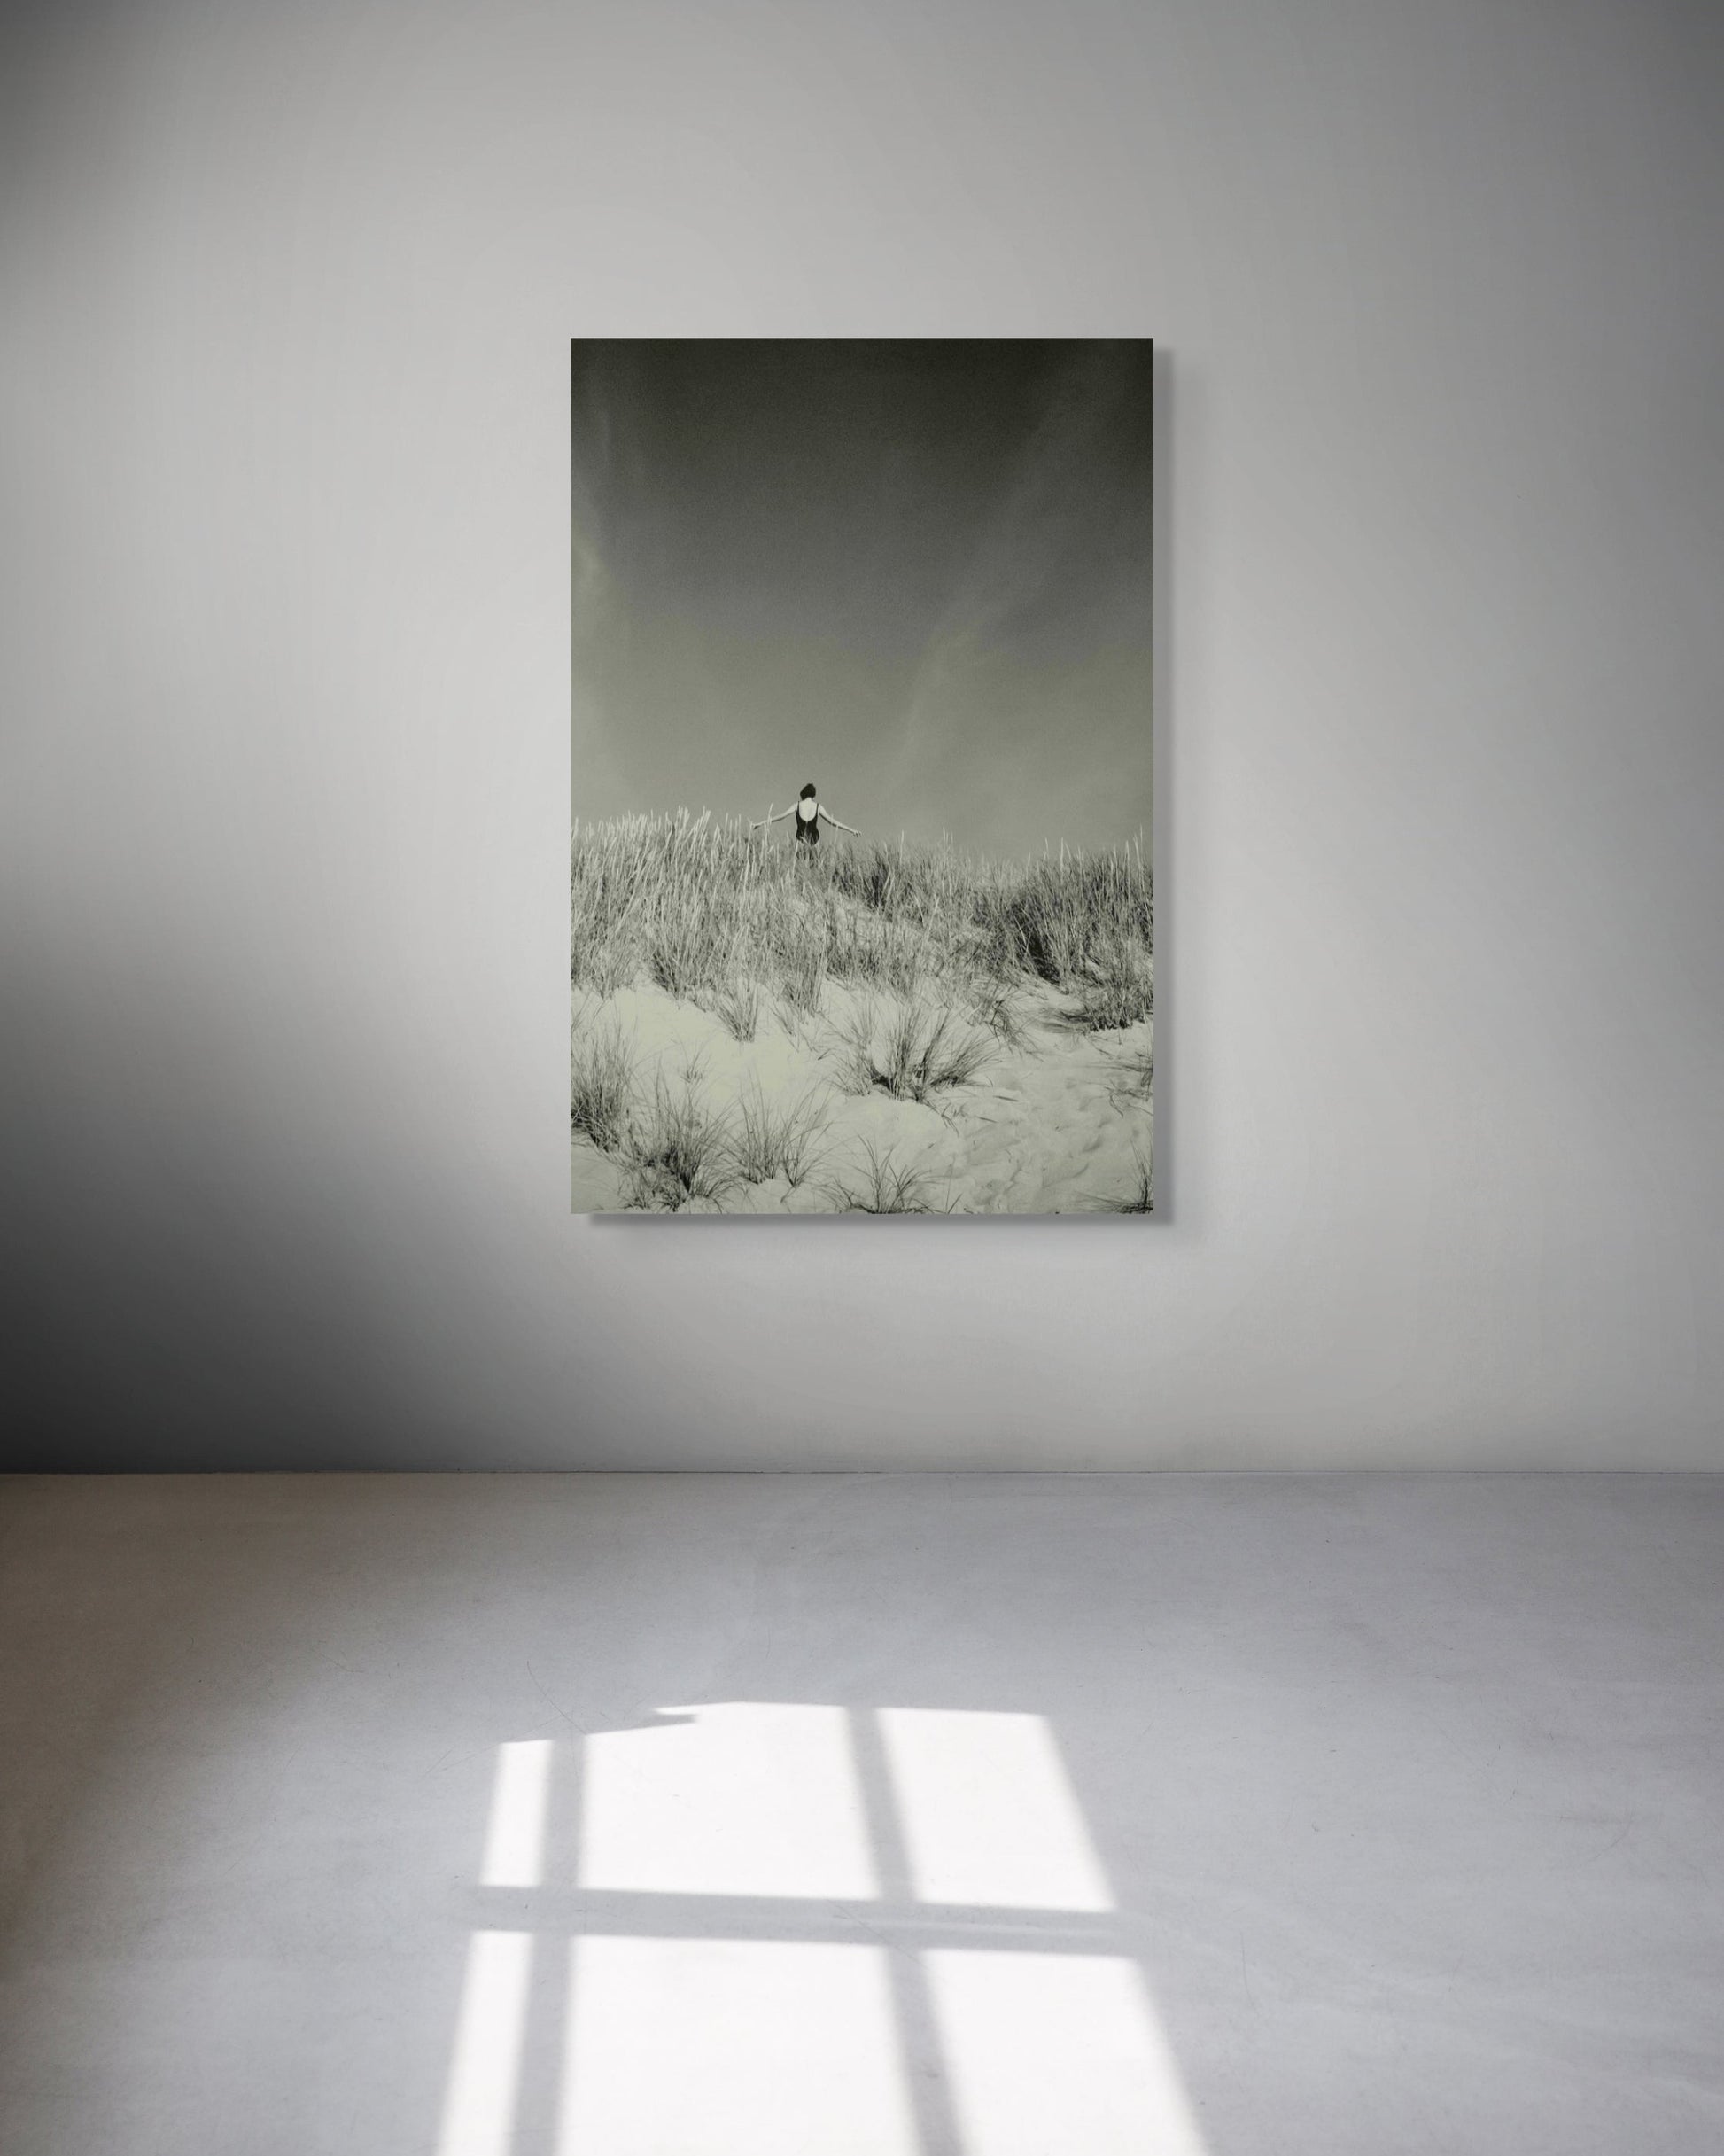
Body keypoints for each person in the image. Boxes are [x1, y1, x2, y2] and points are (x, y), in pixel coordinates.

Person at [750, 782, 858, 852]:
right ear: (813, 795)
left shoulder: (797, 805)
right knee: (815, 867)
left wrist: (760, 823)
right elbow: (832, 822)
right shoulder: (818, 806)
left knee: (799, 867)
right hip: (815, 840)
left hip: (800, 839)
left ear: (803, 794)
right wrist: (851, 830)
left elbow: (781, 816)